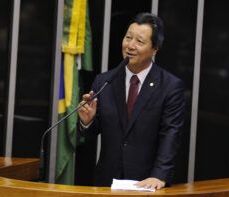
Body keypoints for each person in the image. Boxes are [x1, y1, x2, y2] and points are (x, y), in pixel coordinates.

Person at [78, 12, 185, 190]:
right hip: (107, 182)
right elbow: (89, 134)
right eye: (128, 38)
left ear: (155, 49)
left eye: (140, 41)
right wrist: (87, 121)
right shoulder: (104, 82)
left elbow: (171, 134)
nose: (131, 45)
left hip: (148, 183)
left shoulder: (170, 86)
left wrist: (158, 175)